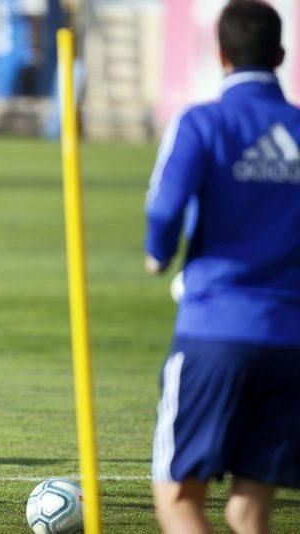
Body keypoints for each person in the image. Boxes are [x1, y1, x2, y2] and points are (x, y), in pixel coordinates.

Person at [145, 1, 300, 532]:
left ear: (221, 54)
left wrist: (158, 252)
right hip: (291, 339)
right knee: (249, 509)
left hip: (216, 331)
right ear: (280, 55)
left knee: (180, 500)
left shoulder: (203, 122)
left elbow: (164, 207)